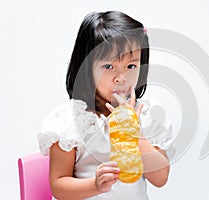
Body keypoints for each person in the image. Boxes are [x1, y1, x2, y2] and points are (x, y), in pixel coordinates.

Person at [37, 11, 174, 200]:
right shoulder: (71, 120)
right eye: (109, 67)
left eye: (131, 66)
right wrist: (94, 185)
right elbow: (59, 185)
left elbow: (160, 178)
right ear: (86, 68)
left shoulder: (146, 115)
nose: (121, 78)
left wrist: (134, 133)